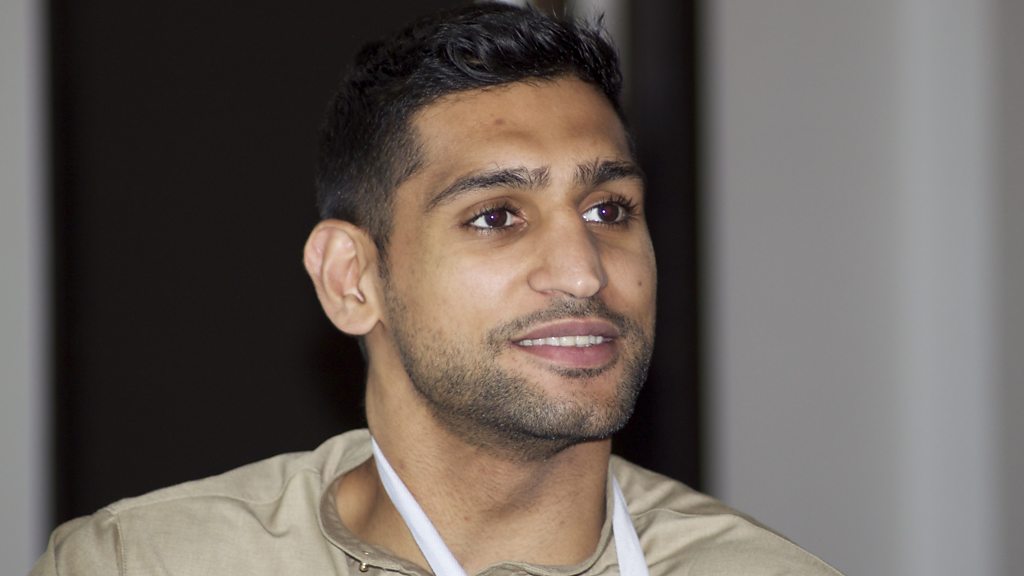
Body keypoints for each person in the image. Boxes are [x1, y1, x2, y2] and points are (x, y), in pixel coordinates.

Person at [32, 4, 841, 575]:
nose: (584, 272)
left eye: (609, 209)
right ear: (352, 279)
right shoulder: (144, 563)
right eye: (497, 216)